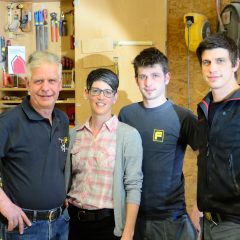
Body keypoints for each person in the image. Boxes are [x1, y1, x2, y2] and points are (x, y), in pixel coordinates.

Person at [119, 47, 198, 240]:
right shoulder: (126, 114)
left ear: (167, 78)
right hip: (131, 215)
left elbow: (207, 163)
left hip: (170, 219)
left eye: (155, 75)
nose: (148, 83)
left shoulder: (184, 117)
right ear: (136, 79)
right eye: (143, 76)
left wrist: (198, 209)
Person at [65, 68, 143, 240]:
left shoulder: (128, 136)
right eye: (96, 91)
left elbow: (133, 186)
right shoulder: (74, 135)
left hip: (108, 226)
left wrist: (128, 233)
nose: (101, 97)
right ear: (86, 93)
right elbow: (66, 178)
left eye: (108, 92)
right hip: (73, 224)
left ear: (115, 97)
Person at [0, 51, 70, 239]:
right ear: (28, 85)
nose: (46, 88)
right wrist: (5, 206)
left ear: (60, 85)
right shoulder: (8, 122)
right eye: (39, 81)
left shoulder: (62, 120)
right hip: (25, 227)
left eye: (52, 81)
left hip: (61, 223)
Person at [195, 32, 240, 239]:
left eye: (220, 61)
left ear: (235, 64)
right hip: (208, 222)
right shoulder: (203, 109)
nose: (212, 68)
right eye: (206, 62)